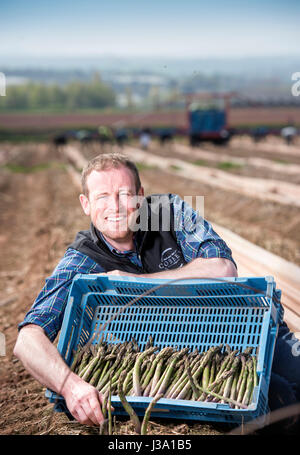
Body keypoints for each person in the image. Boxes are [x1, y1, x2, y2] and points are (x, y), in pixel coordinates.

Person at [14, 153, 300, 431]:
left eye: (125, 194)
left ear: (140, 194)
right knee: (279, 400)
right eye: (102, 197)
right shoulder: (82, 260)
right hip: (187, 359)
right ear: (85, 204)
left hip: (242, 329)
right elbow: (27, 339)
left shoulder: (168, 212)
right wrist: (69, 386)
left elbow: (223, 268)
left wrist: (135, 280)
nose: (115, 206)